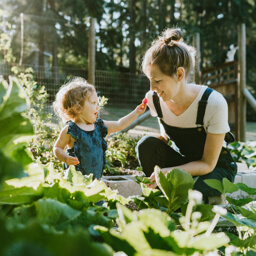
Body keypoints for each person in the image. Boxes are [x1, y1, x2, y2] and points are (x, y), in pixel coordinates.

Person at [136, 28, 237, 202]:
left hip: (214, 168)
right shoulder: (154, 99)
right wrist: (163, 138)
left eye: (158, 81)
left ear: (180, 74)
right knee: (146, 145)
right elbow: (165, 127)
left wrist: (170, 172)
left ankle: (203, 200)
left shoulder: (213, 102)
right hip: (183, 161)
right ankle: (164, 197)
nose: (152, 87)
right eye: (149, 79)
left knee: (190, 192)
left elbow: (207, 164)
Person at [53, 77, 147, 180]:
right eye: (93, 103)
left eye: (97, 103)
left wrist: (136, 112)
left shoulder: (99, 126)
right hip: (76, 180)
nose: (97, 107)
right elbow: (57, 148)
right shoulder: (71, 130)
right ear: (78, 108)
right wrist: (65, 158)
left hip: (95, 179)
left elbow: (119, 124)